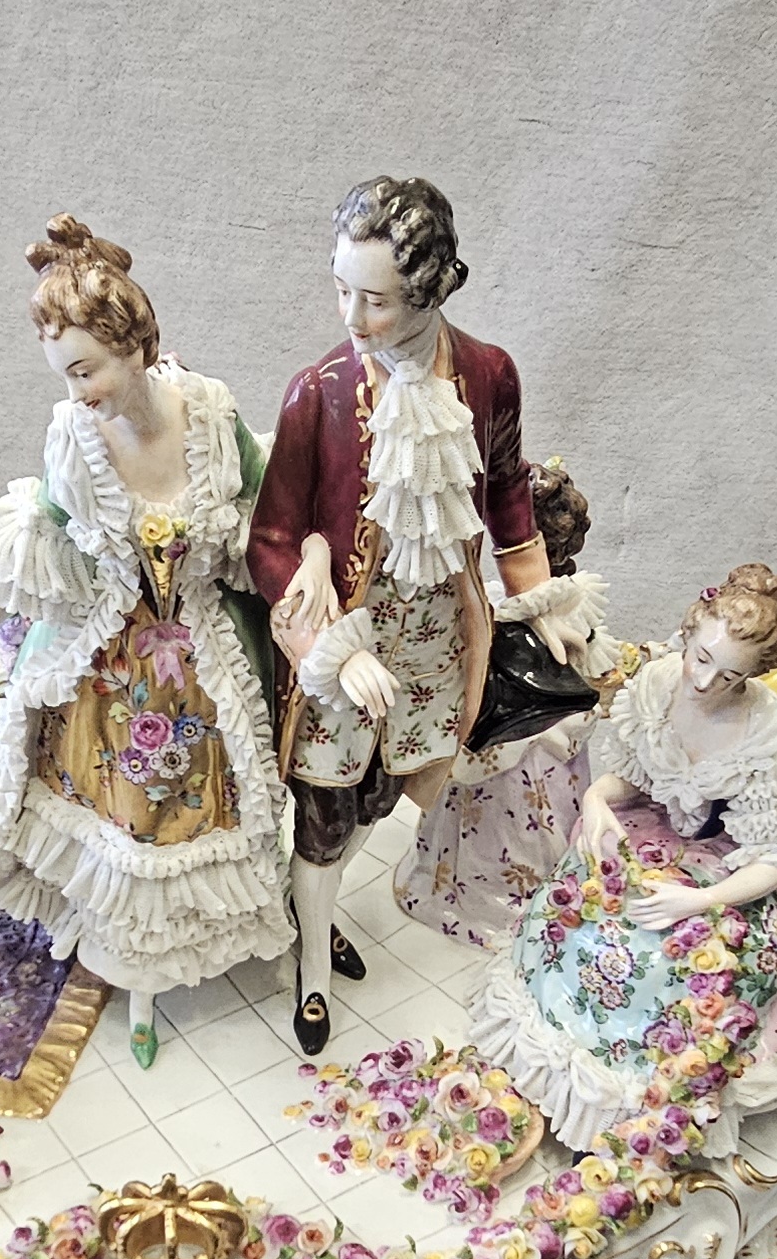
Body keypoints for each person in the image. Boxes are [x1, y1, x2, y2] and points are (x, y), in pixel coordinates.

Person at [0, 216, 291, 1068]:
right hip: (107, 674)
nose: (77, 392)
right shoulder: (73, 441)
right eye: (64, 375)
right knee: (123, 823)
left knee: (199, 811)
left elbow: (276, 529)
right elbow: (28, 552)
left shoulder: (212, 415)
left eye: (85, 370)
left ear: (135, 346)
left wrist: (313, 604)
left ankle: (176, 963)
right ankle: (132, 978)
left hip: (206, 664)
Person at [246, 175, 587, 1054]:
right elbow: (270, 543)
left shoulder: (488, 374)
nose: (353, 318)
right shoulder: (318, 392)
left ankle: (312, 910)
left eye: (378, 300)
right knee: (324, 809)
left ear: (432, 291)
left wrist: (539, 601)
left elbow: (505, 495)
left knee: (387, 792)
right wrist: (328, 648)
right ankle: (311, 972)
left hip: (438, 638)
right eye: (342, 291)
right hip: (345, 643)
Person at [470, 566, 777, 1159]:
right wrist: (596, 799)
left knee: (676, 959)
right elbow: (634, 775)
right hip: (654, 831)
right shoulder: (659, 686)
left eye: (730, 675)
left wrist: (699, 900)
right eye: (701, 658)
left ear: (753, 676)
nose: (705, 681)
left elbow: (772, 860)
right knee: (585, 908)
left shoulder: (765, 742)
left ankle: (641, 1101)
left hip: (730, 869)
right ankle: (555, 1065)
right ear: (689, 635)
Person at [395, 460, 615, 947]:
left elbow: (582, 657)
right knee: (478, 815)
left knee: (526, 821)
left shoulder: (565, 599)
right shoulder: (489, 592)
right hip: (494, 723)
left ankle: (514, 901)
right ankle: (458, 891)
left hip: (532, 729)